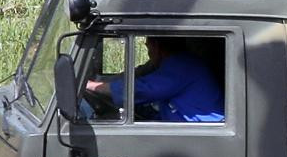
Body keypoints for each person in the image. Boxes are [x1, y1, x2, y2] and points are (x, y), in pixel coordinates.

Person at [83, 36, 225, 123]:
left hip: (200, 131)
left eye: (147, 46)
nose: (149, 52)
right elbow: (140, 74)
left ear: (156, 46)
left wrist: (90, 86)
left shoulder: (181, 66)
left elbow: (140, 90)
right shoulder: (172, 63)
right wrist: (100, 82)